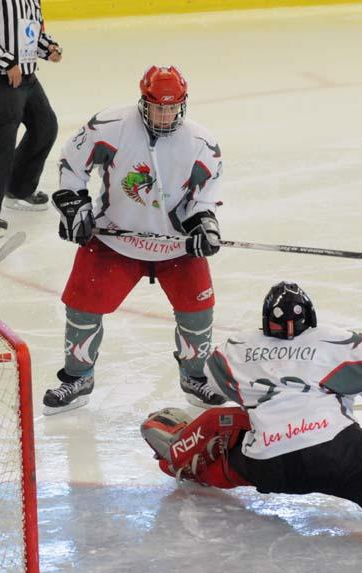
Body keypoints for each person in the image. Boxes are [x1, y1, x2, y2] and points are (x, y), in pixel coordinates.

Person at [140, 281, 362, 554]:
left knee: (227, 432)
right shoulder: (336, 340)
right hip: (333, 453)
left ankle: (181, 450)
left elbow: (211, 386)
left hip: (266, 464)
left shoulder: (236, 347)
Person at [43, 65, 227, 415]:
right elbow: (72, 163)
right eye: (157, 106)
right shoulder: (111, 126)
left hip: (175, 246)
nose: (164, 114)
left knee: (198, 310)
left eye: (172, 107)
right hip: (115, 236)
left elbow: (202, 202)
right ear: (143, 102)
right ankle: (77, 377)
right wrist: (74, 206)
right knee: (82, 305)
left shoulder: (202, 144)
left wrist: (205, 227)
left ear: (183, 105)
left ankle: (195, 377)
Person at [0, 0, 62, 238]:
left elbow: (32, 34)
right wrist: (6, 61)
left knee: (45, 126)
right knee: (2, 138)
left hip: (26, 76)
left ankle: (19, 189)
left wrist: (48, 48)